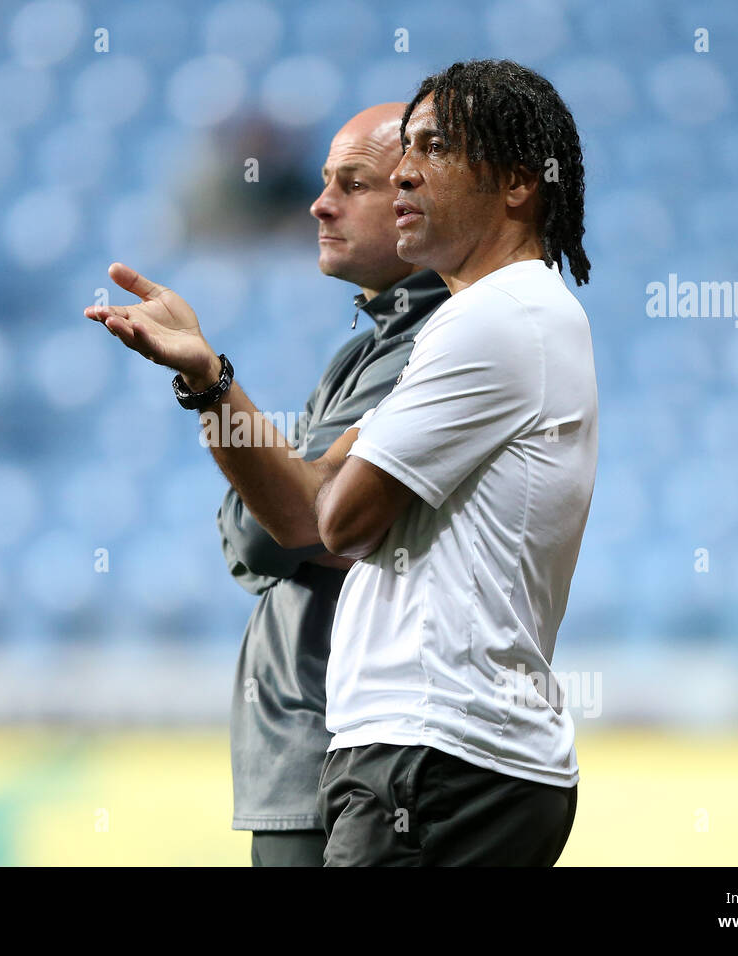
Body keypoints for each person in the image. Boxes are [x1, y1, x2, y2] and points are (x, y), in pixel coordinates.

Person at [84, 104, 449, 866]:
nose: (320, 204)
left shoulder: (434, 347)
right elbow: (267, 529)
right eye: (322, 182)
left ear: (419, 201)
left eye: (353, 184)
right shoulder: (367, 350)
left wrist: (208, 383)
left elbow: (279, 528)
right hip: (329, 758)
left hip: (336, 757)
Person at [311, 59, 598, 865]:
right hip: (464, 756)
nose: (403, 169)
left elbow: (335, 520)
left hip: (435, 757)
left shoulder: (493, 318)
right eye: (405, 146)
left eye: (433, 147)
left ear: (516, 183)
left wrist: (213, 388)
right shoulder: (521, 312)